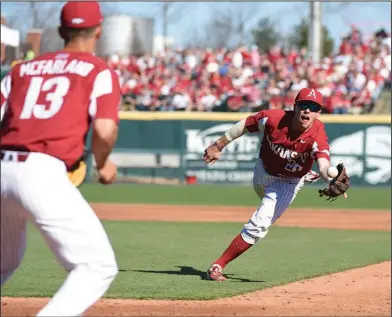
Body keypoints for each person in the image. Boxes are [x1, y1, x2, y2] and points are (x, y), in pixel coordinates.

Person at [1, 2, 120, 315]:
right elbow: (105, 131)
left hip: (2, 167)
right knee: (96, 267)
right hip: (40, 171)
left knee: (3, 263)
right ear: (99, 30)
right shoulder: (98, 70)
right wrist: (104, 164)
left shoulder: (20, 70)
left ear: (60, 31)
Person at [203, 88, 343, 281]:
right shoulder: (273, 119)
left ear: (318, 113)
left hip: (287, 183)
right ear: (295, 107)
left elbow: (324, 164)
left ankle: (217, 265)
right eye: (303, 105)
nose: (307, 111)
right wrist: (218, 145)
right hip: (262, 171)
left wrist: (330, 178)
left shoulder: (318, 133)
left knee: (260, 224)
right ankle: (304, 174)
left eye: (313, 107)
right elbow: (245, 124)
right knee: (268, 198)